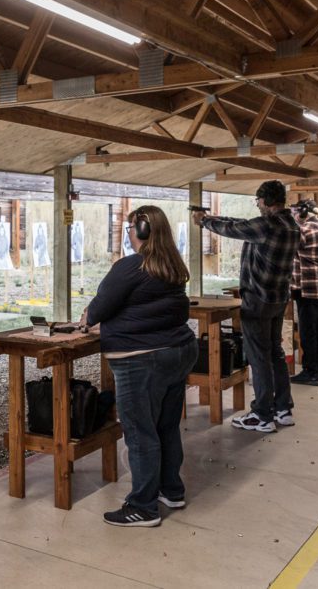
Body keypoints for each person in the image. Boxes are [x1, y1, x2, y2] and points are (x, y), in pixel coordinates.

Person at [80, 205, 196, 527]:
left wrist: (89, 317)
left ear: (142, 232)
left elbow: (98, 309)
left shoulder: (130, 266)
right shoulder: (172, 266)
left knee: (140, 431)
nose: (129, 235)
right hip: (179, 351)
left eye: (131, 229)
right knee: (165, 426)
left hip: (141, 359)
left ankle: (143, 506)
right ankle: (171, 489)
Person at [193, 180, 300, 433]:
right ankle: (282, 408)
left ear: (265, 201)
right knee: (275, 352)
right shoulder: (291, 224)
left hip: (257, 300)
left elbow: (234, 229)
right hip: (278, 298)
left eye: (258, 201)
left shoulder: (266, 225)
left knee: (258, 356)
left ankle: (262, 415)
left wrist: (204, 222)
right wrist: (211, 216)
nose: (258, 205)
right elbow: (241, 223)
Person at [288, 199, 318, 387]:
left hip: (307, 287)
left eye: (296, 212)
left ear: (304, 212)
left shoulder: (305, 230)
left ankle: (310, 372)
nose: (294, 215)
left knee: (308, 332)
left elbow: (289, 243)